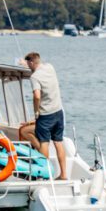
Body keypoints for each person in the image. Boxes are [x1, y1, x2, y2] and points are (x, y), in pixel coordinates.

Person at [24, 52, 67, 180]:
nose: (27, 66)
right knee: (58, 142)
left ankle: (45, 174)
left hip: (45, 115)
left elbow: (37, 96)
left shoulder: (34, 77)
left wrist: (36, 112)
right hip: (58, 112)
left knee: (44, 143)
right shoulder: (50, 67)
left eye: (27, 64)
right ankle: (64, 175)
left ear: (31, 63)